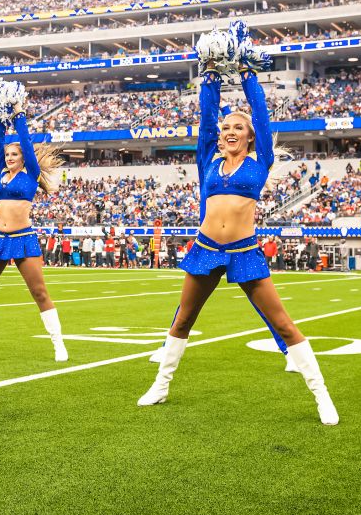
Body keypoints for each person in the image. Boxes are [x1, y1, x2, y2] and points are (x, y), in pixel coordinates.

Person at [138, 57, 338, 425]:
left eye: (238, 128)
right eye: (226, 127)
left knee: (284, 324)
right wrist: (211, 77)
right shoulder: (208, 162)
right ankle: (161, 385)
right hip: (205, 250)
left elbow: (261, 116)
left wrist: (247, 75)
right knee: (182, 321)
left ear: (249, 136)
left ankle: (322, 396)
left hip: (245, 252)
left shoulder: (259, 162)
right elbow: (206, 118)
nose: (230, 131)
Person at [0, 100, 67, 362]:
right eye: (7, 155)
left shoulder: (30, 174)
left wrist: (18, 114)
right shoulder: (1, 173)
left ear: (23, 158)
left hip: (23, 238)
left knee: (39, 292)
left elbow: (26, 143)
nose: (9, 158)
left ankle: (58, 343)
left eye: (14, 155)